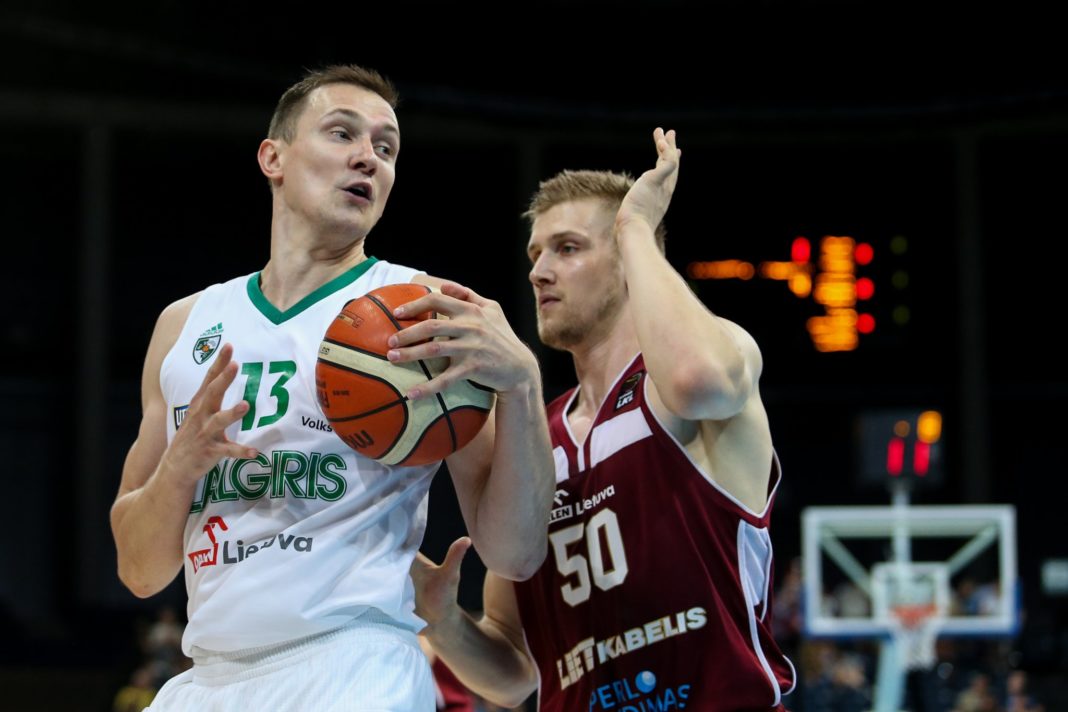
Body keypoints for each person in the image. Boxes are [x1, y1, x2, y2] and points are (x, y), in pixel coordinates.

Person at [109, 64, 554, 711]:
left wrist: (522, 387)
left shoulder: (423, 309)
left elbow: (515, 553)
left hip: (354, 664)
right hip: (208, 677)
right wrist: (180, 467)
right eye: (342, 133)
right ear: (274, 157)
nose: (368, 157)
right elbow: (139, 571)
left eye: (386, 147)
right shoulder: (184, 325)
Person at [413, 129, 796, 710]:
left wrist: (636, 227)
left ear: (628, 262)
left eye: (567, 248)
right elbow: (515, 672)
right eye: (535, 255)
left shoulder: (709, 365)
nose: (540, 271)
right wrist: (443, 621)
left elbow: (697, 380)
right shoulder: (532, 439)